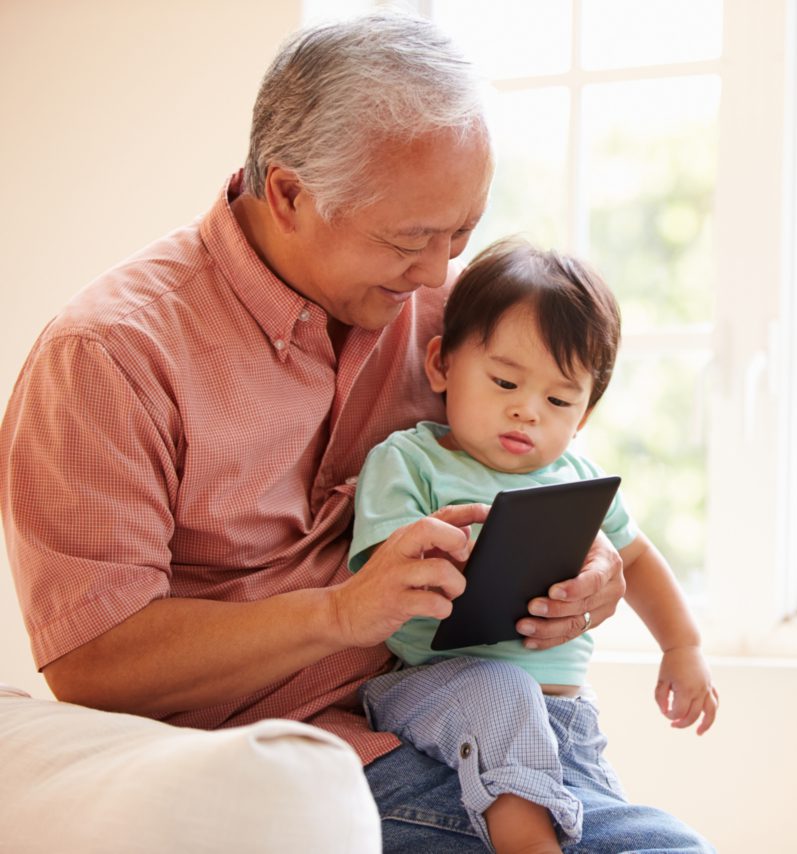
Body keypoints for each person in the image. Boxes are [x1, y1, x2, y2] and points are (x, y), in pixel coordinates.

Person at [0, 12, 711, 852]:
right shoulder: (109, 358)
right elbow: (93, 664)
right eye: (412, 240)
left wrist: (590, 581)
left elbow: (540, 468)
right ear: (291, 195)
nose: (439, 272)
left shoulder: (449, 325)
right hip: (274, 764)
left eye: (462, 233)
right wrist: (341, 613)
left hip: (465, 722)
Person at [350, 237, 719, 853]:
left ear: (586, 413)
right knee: (504, 691)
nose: (526, 411)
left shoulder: (575, 478)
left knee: (668, 841)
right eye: (503, 382)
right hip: (437, 693)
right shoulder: (409, 460)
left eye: (557, 400)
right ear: (440, 365)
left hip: (566, 722)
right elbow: (379, 579)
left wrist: (683, 646)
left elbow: (637, 558)